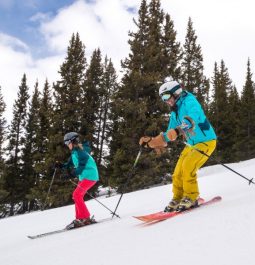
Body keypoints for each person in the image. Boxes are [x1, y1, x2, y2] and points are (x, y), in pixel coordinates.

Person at [139, 77, 217, 212]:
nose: (166, 101)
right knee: (177, 172)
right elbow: (169, 134)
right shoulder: (175, 112)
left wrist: (178, 130)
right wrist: (154, 142)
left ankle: (191, 197)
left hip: (206, 141)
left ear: (177, 92)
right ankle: (178, 197)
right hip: (191, 144)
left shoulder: (190, 101)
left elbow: (193, 118)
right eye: (163, 98)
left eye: (167, 96)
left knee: (188, 167)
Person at [57, 132, 99, 229]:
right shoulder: (75, 152)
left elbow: (80, 168)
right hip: (84, 177)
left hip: (90, 176)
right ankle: (80, 218)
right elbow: (69, 164)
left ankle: (85, 218)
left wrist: (70, 175)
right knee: (76, 195)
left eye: (67, 143)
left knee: (76, 195)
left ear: (72, 141)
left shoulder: (81, 152)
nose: (67, 145)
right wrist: (60, 165)